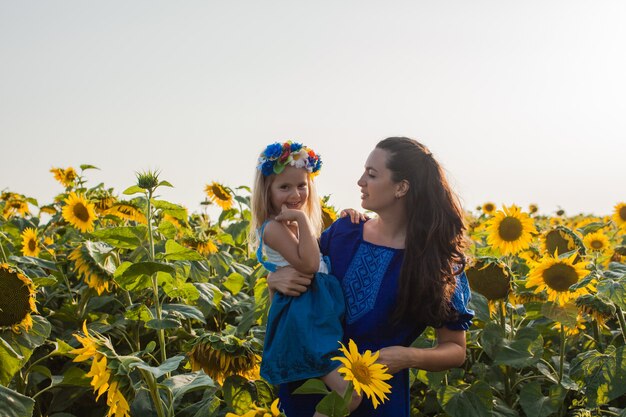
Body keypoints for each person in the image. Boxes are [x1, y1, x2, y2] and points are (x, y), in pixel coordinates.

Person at [268, 137, 474, 416]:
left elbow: (455, 349)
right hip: (311, 384)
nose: (360, 181)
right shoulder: (343, 233)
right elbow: (300, 295)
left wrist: (408, 357)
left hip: (377, 397)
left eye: (372, 174)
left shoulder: (437, 262)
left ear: (401, 187)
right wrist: (275, 280)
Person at [250, 141, 361, 416]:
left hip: (315, 319)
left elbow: (317, 254)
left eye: (302, 185)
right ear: (267, 191)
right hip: (306, 322)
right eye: (284, 187)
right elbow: (311, 265)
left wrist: (346, 218)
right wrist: (300, 219)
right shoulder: (274, 228)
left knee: (343, 393)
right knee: (350, 394)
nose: (295, 193)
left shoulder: (290, 227)